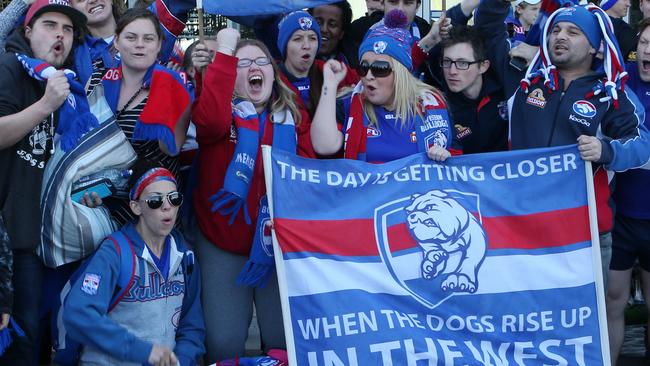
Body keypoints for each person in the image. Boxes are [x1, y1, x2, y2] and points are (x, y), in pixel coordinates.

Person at [475, 0, 650, 289]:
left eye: (573, 31)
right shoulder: (524, 79)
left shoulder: (610, 93)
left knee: (584, 325)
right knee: (523, 316)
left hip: (584, 233)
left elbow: (642, 144)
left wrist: (606, 151)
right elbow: (487, 29)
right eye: (556, 30)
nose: (560, 36)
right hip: (521, 226)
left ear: (594, 46)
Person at [191, 28, 315, 362]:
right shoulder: (218, 117)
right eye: (242, 64)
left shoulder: (294, 118)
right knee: (224, 341)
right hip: (223, 244)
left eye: (261, 62)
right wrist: (225, 49)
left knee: (282, 340)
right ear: (229, 74)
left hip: (278, 247)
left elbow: (312, 176)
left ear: (274, 74)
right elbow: (209, 119)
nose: (253, 68)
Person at [0, 0, 84, 362]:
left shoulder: (64, 83)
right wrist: (45, 107)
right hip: (5, 233)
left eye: (67, 30)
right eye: (50, 25)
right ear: (28, 31)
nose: (60, 35)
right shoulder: (9, 68)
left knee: (29, 336)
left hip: (34, 236)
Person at [63, 163, 205, 365]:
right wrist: (142, 351)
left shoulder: (185, 256)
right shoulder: (114, 253)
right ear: (136, 206)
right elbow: (78, 314)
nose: (167, 207)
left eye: (174, 199)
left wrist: (182, 360)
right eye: (155, 201)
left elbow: (192, 326)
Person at [79, 8, 191, 227]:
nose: (140, 44)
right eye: (131, 37)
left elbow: (170, 150)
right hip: (98, 202)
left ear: (159, 46)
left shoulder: (175, 87)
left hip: (151, 211)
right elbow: (79, 141)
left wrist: (167, 96)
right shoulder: (96, 81)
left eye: (148, 39)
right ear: (117, 43)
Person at [311, 9, 455, 163]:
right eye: (363, 68)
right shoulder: (348, 103)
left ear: (400, 74)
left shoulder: (432, 105)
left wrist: (445, 157)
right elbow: (323, 146)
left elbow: (459, 161)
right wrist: (330, 85)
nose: (368, 76)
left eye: (380, 68)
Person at [606, 17, 650, 363]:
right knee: (612, 302)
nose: (648, 49)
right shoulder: (621, 84)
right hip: (619, 215)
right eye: (645, 42)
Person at [438, 25, 508, 153]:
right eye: (447, 62)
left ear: (483, 66)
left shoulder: (506, 91)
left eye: (462, 63)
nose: (452, 71)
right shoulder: (439, 107)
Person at [276, 10, 357, 117]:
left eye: (312, 38)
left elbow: (368, 81)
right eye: (298, 39)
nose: (307, 45)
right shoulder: (272, 79)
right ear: (285, 45)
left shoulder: (330, 71)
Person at [310, 1, 356, 65]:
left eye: (332, 24)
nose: (324, 29)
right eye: (318, 23)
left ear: (342, 33)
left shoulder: (354, 66)